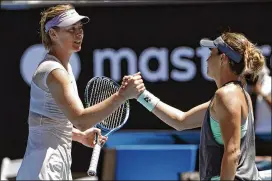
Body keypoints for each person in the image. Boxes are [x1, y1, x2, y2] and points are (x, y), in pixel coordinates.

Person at [17, 4, 144, 180]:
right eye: (71, 29)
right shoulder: (55, 72)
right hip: (43, 169)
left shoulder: (63, 67)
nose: (78, 34)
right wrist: (121, 96)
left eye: (80, 28)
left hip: (51, 166)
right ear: (53, 34)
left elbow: (45, 122)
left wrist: (79, 136)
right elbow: (80, 120)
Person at [125, 32, 269, 180]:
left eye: (211, 53)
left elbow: (232, 152)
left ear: (223, 59)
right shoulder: (233, 95)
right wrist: (141, 95)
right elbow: (181, 121)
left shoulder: (227, 96)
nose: (207, 59)